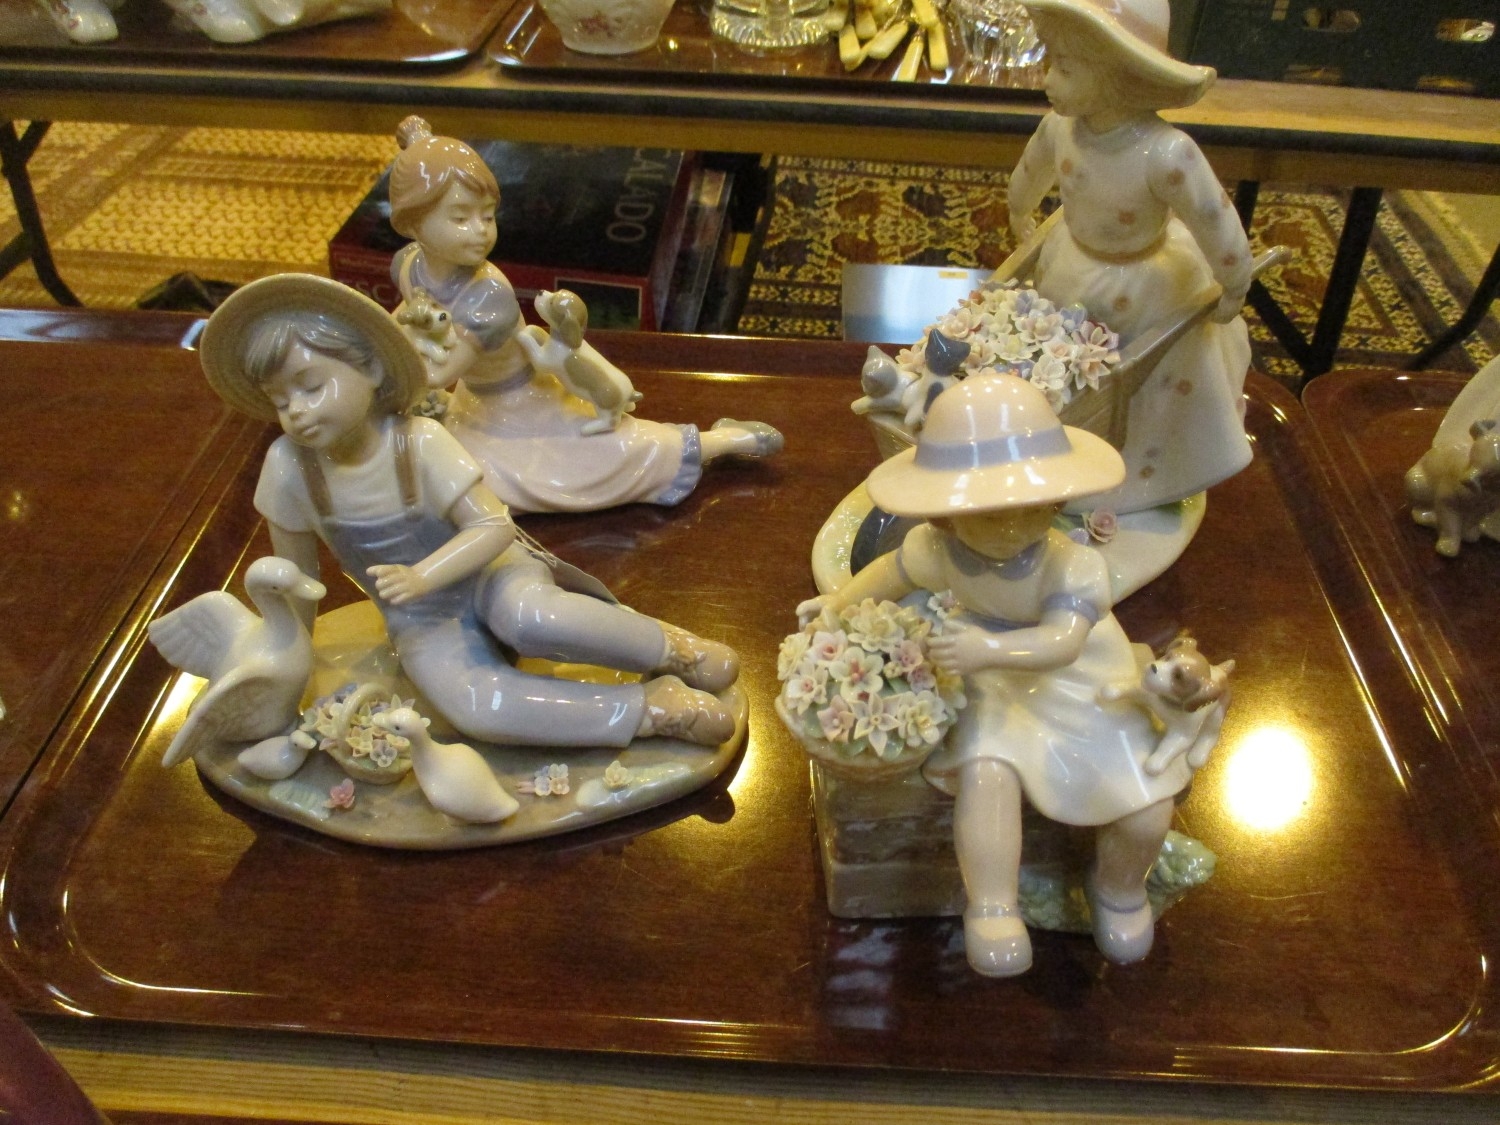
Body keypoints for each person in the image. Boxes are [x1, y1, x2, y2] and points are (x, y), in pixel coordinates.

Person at [199, 273, 739, 750]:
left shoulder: (417, 440)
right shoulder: (289, 467)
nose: (295, 410)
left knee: (530, 617)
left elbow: (493, 526)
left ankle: (671, 650)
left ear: (371, 369)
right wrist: (288, 666)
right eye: (279, 399)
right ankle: (650, 711)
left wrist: (422, 574)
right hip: (421, 619)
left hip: (492, 573)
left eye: (312, 386)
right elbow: (297, 581)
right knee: (475, 706)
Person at [800, 373, 1195, 977]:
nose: (1013, 527)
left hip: (1081, 679)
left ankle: (1119, 888)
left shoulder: (1073, 565)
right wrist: (836, 606)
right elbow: (888, 576)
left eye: (1033, 508)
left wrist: (988, 648)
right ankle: (992, 906)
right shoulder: (937, 550)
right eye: (989, 514)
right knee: (987, 772)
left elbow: (1063, 642)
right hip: (988, 678)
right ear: (947, 513)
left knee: (1146, 801)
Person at [386, 116, 781, 514]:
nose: (480, 230)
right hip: (472, 405)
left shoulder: (487, 295)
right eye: (460, 218)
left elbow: (437, 374)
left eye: (487, 216)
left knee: (611, 454)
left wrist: (384, 350)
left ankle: (726, 441)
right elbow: (401, 315)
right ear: (413, 223)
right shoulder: (409, 264)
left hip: (518, 405)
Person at [1007, 0, 1254, 514]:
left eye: (1065, 68)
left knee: (1149, 385)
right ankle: (1053, 445)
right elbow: (1031, 172)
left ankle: (1143, 471)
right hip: (1072, 266)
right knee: (1065, 368)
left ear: (1119, 75)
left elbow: (1213, 216)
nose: (1048, 80)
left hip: (1147, 283)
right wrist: (1019, 209)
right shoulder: (1059, 129)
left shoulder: (1166, 153)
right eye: (1050, 62)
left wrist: (1235, 278)